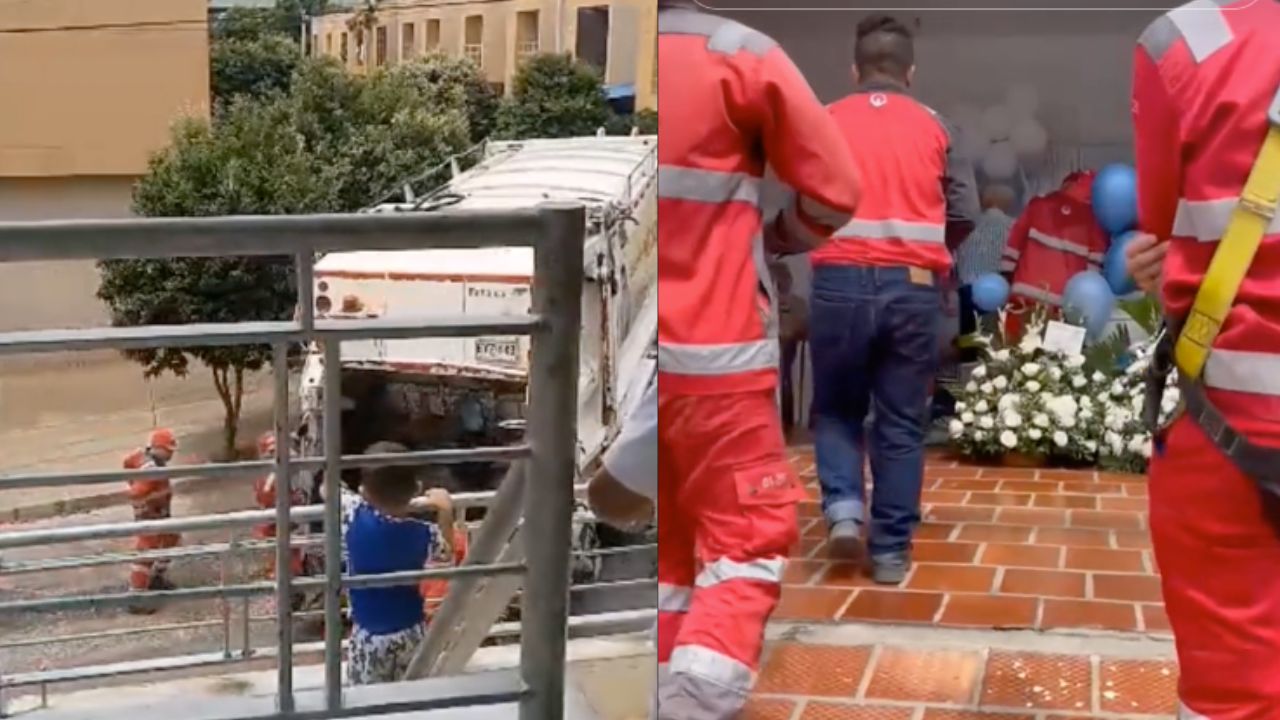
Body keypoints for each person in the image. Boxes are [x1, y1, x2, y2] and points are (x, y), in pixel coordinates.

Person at [657, 0, 862, 716]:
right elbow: (836, 191)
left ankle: (663, 686)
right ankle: (695, 702)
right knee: (746, 539)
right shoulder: (739, 53)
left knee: (673, 553)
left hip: (629, 364)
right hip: (718, 353)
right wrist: (776, 238)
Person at [1128, 2, 1280, 717]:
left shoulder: (1187, 42)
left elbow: (1163, 224)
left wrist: (1169, 267)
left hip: (1233, 426)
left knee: (1234, 687)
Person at [810, 15, 979, 584]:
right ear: (910, 71)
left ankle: (842, 511)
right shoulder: (938, 127)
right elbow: (964, 213)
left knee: (836, 408)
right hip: (912, 289)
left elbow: (804, 200)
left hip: (837, 285)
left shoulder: (824, 121)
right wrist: (924, 250)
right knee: (902, 422)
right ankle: (888, 554)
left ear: (856, 69)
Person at [340, 441, 454, 685]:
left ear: (364, 492)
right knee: (410, 697)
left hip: (368, 637)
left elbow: (329, 491)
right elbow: (446, 553)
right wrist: (445, 510)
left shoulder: (353, 514)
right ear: (417, 488)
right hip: (411, 631)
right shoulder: (425, 534)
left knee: (365, 702)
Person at [998, 170, 1108, 341]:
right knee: (1056, 362)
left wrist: (1005, 276)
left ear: (1066, 185)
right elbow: (1094, 266)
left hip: (1024, 294)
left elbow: (1014, 242)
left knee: (1013, 352)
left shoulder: (1039, 204)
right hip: (1062, 302)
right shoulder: (1096, 221)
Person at [124, 428, 182, 613]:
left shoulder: (143, 459)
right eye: (169, 449)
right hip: (151, 515)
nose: (171, 453)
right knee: (146, 554)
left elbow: (127, 464)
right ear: (159, 448)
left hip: (159, 513)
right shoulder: (151, 468)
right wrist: (149, 499)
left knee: (171, 539)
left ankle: (156, 578)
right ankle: (136, 598)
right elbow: (137, 492)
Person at [251, 432, 310, 596]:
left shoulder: (294, 472)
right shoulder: (268, 480)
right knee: (287, 567)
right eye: (273, 452)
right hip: (281, 529)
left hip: (293, 528)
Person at [772, 261, 809, 436]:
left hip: (783, 350)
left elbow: (805, 328)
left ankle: (786, 425)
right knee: (784, 380)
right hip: (776, 351)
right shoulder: (797, 303)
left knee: (784, 379)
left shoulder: (797, 303)